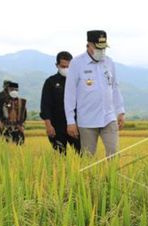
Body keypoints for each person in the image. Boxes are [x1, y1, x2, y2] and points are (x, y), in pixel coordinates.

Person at [64, 30, 125, 158]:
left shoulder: (109, 62)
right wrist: (70, 121)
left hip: (109, 117)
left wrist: (120, 111)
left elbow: (114, 87)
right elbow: (70, 94)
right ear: (89, 45)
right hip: (87, 120)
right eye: (98, 48)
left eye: (103, 48)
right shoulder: (77, 63)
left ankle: (112, 178)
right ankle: (89, 178)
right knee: (87, 158)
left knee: (114, 154)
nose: (101, 52)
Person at [40, 51, 81, 154]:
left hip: (76, 125)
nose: (66, 69)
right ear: (57, 65)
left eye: (69, 66)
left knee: (82, 155)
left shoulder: (78, 81)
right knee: (60, 156)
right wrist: (48, 126)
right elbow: (45, 105)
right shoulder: (50, 82)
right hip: (56, 126)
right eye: (63, 66)